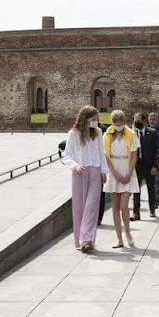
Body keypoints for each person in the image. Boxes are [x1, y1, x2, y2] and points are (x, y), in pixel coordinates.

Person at [63, 105, 108, 253]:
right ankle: (80, 240)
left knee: (91, 206)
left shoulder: (98, 132)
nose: (96, 121)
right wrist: (74, 166)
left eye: (97, 118)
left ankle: (87, 239)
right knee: (79, 208)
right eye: (93, 118)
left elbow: (102, 153)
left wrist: (103, 171)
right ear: (85, 118)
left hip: (95, 171)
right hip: (79, 172)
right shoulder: (73, 134)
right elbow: (67, 155)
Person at [103, 110, 139, 248]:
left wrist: (129, 173)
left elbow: (134, 154)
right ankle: (119, 238)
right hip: (113, 171)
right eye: (115, 124)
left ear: (124, 122)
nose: (118, 126)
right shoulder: (107, 135)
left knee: (124, 206)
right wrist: (115, 174)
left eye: (120, 124)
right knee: (115, 207)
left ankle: (128, 232)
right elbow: (106, 156)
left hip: (127, 168)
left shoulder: (131, 134)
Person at [131, 112, 159, 220]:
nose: (136, 121)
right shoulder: (132, 133)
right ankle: (136, 212)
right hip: (136, 165)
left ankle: (152, 209)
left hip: (149, 165)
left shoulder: (152, 133)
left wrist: (155, 165)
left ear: (143, 121)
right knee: (136, 189)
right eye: (134, 119)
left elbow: (157, 149)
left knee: (151, 188)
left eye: (138, 119)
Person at [97, 122, 108, 225]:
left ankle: (99, 217)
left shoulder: (102, 130)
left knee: (100, 193)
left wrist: (104, 170)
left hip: (99, 166)